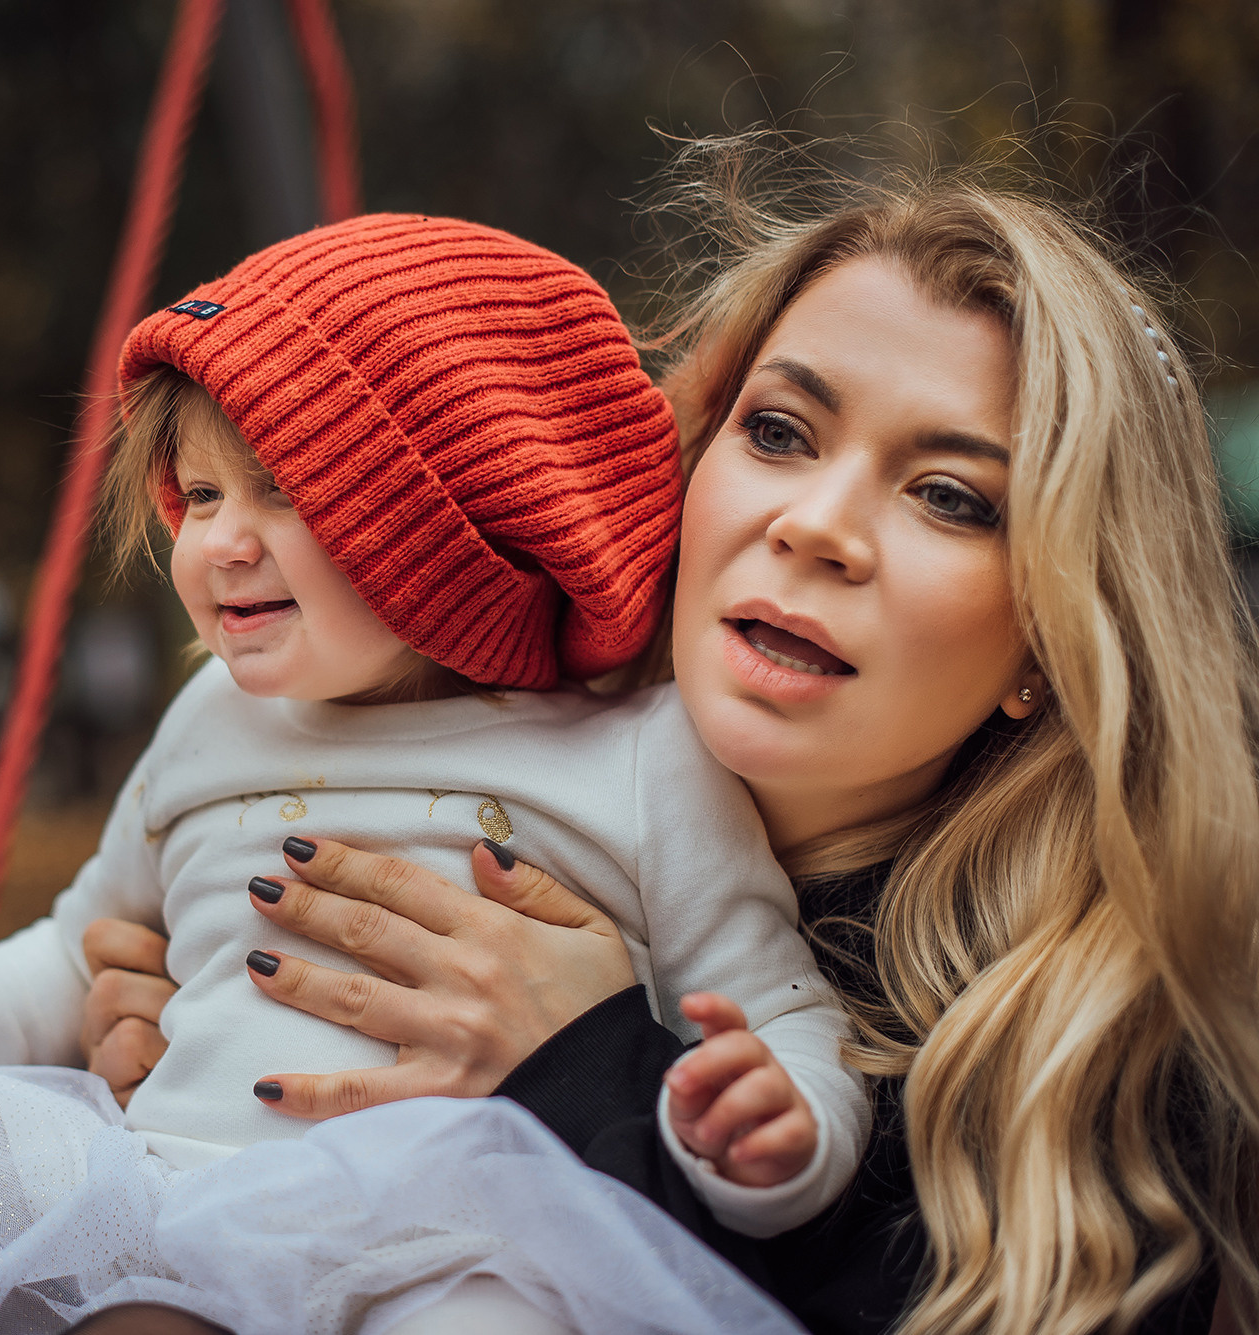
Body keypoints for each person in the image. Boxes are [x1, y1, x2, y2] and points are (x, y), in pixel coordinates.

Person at [80, 144, 1259, 1335]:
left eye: (949, 497)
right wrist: (176, 1035)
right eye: (782, 432)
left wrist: (586, 1065)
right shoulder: (441, 755)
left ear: (1050, 640)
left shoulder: (1095, 1049)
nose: (815, 527)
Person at [0, 215, 869, 1334]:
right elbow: (80, 949)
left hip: (453, 1250)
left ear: (456, 528)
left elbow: (775, 1016)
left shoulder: (639, 756)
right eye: (201, 493)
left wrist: (776, 1133)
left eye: (283, 495)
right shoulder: (210, 719)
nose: (219, 543)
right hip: (168, 1194)